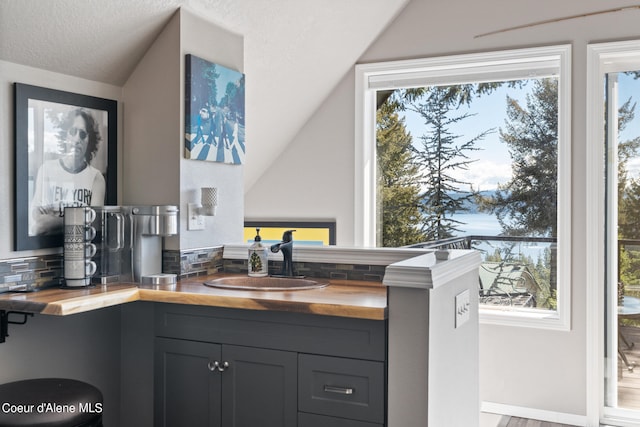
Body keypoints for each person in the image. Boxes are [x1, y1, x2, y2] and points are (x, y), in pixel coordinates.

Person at [30, 108, 106, 235]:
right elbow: (37, 225)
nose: (77, 139)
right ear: (65, 135)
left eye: (82, 134)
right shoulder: (46, 169)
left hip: (81, 250)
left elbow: (94, 224)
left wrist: (53, 221)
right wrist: (81, 219)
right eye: (72, 131)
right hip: (48, 248)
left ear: (89, 141)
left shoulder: (96, 178)